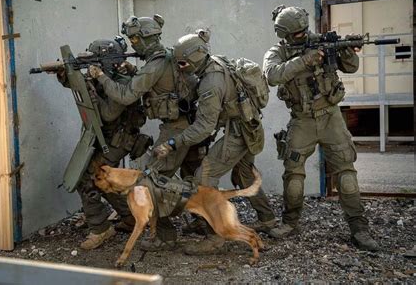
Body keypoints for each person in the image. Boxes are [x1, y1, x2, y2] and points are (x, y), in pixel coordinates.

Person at [262, 5, 379, 251]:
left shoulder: (321, 41)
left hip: (331, 117)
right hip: (302, 120)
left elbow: (351, 67)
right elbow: (272, 75)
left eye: (305, 30)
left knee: (346, 173)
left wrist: (347, 51)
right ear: (284, 35)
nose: (304, 35)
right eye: (297, 34)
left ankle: (359, 228)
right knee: (293, 174)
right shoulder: (278, 52)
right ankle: (290, 222)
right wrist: (304, 60)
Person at [89, 15, 207, 251]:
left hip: (176, 128)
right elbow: (161, 81)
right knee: (194, 177)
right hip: (189, 125)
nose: (132, 44)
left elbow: (126, 96)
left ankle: (165, 235)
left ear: (145, 38)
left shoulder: (155, 63)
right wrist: (134, 69)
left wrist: (100, 77)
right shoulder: (168, 55)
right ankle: (205, 223)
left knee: (150, 181)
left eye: (134, 39)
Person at [154, 30, 276, 255]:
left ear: (194, 59)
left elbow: (204, 127)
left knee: (203, 178)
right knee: (245, 174)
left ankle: (214, 237)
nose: (181, 68)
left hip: (238, 134)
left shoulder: (210, 83)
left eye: (182, 63)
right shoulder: (217, 61)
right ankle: (268, 220)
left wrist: (172, 143)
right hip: (249, 126)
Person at [56, 38, 151, 250]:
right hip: (102, 138)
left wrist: (92, 81)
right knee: (106, 181)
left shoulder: (123, 82)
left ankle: (100, 228)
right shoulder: (107, 75)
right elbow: (81, 86)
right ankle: (129, 217)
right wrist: (66, 75)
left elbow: (107, 114)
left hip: (118, 140)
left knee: (88, 179)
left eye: (96, 61)